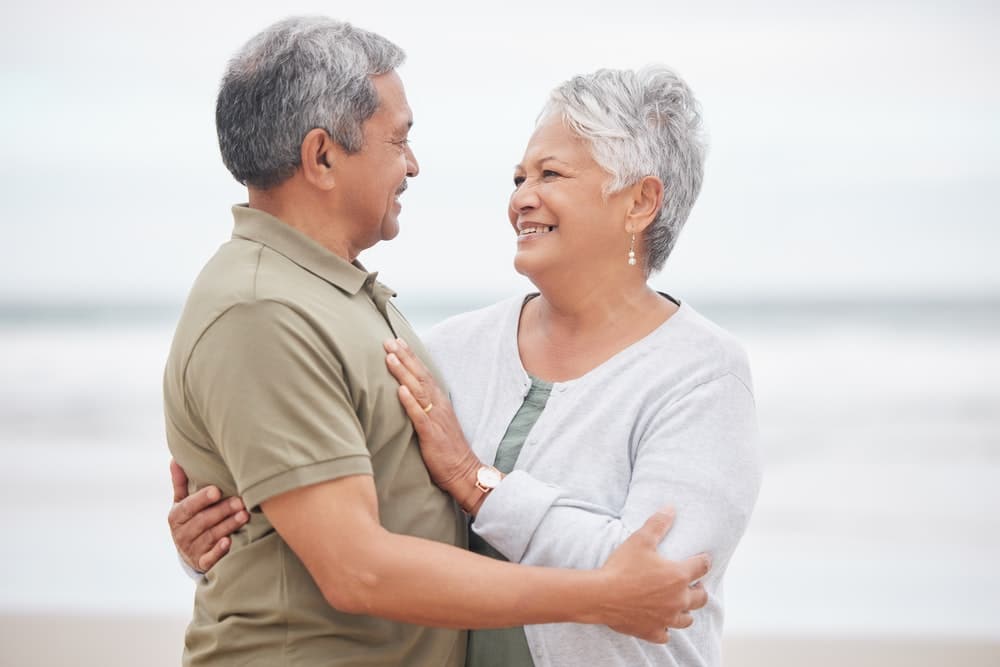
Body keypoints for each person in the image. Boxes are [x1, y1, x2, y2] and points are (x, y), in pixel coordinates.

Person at [171, 59, 762, 666]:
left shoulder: (702, 374)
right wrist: (228, 540)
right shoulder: (451, 350)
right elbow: (361, 540)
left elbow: (659, 583)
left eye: (550, 174)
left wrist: (477, 483)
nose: (521, 199)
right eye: (518, 178)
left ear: (640, 202)